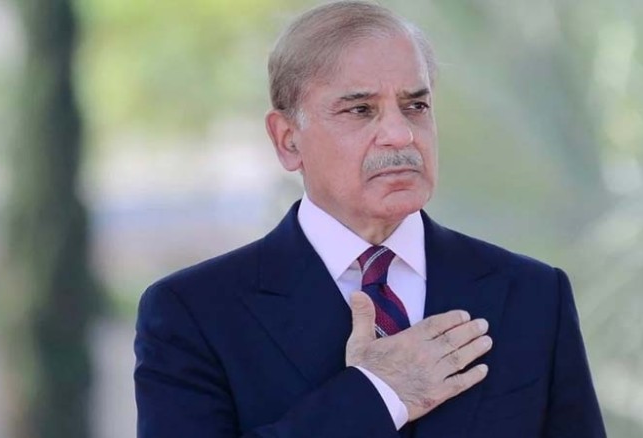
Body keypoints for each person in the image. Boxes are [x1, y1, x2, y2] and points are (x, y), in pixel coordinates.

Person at [133, 1, 606, 437]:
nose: (401, 135)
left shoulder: (532, 294)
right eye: (360, 110)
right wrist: (377, 395)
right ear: (287, 140)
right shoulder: (192, 313)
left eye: (415, 106)